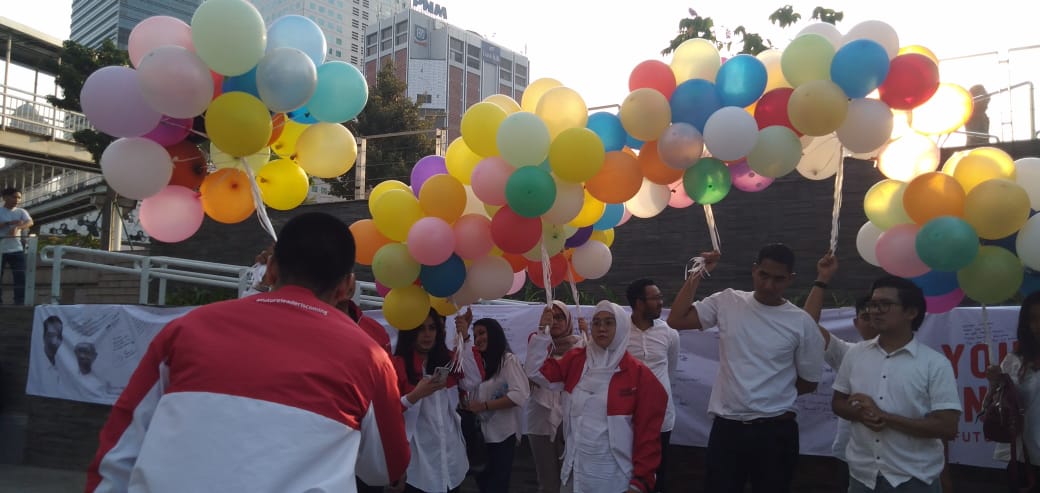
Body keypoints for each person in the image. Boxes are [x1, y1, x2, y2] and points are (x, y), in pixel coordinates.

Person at [86, 212, 409, 492]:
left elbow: (118, 453)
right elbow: (385, 468)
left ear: (270, 269)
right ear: (347, 287)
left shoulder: (187, 329)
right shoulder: (368, 357)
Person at [666, 244, 824, 493]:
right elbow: (676, 320)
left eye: (779, 279)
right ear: (754, 270)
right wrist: (699, 272)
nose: (769, 285)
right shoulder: (728, 301)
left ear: (790, 279)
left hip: (776, 432)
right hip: (728, 429)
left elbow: (809, 382)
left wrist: (771, 395)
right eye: (764, 275)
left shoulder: (801, 322)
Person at [832, 276, 961, 493]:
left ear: (911, 312)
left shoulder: (935, 364)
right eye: (873, 304)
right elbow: (838, 403)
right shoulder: (855, 354)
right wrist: (861, 414)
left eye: (885, 304)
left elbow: (947, 427)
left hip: (914, 479)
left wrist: (886, 417)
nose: (875, 310)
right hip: (862, 476)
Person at [526, 300, 667, 493]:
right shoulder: (576, 360)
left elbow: (648, 438)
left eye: (609, 322)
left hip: (614, 479)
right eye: (597, 322)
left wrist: (640, 483)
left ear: (622, 326)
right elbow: (536, 373)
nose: (602, 328)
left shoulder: (640, 376)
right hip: (574, 475)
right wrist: (543, 331)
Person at [393, 308, 468, 493]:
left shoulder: (448, 359)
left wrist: (465, 338)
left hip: (452, 461)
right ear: (409, 330)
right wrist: (414, 396)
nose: (427, 335)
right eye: (420, 328)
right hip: (418, 467)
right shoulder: (397, 364)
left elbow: (473, 382)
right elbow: (386, 412)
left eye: (432, 328)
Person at [456, 311, 530, 493]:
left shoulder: (507, 361)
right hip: (478, 437)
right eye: (475, 336)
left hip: (502, 437)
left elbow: (519, 395)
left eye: (482, 333)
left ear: (494, 333)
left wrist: (484, 406)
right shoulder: (476, 363)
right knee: (483, 484)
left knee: (496, 487)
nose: (478, 338)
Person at [625, 279, 679, 493]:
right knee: (629, 475)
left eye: (660, 297)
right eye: (655, 298)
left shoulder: (669, 333)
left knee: (658, 476)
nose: (661, 303)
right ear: (639, 303)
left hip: (661, 418)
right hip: (628, 419)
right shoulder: (620, 333)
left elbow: (671, 372)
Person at [526, 300, 586, 493]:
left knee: (571, 479)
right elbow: (532, 372)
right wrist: (542, 331)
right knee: (547, 481)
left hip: (571, 418)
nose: (556, 322)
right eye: (552, 317)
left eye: (560, 317)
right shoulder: (538, 342)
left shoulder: (581, 345)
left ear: (568, 320)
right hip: (541, 421)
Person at [986, 291, 1040, 493]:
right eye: (1033, 319)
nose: (1038, 325)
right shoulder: (1014, 361)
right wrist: (996, 383)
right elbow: (994, 408)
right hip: (1025, 460)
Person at [0, 187, 33, 305]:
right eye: (14, 197)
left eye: (19, 197)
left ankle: (19, 301)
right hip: (1, 250)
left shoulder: (21, 212)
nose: (17, 200)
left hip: (16, 248)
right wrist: (9, 223)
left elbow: (30, 222)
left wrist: (18, 227)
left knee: (20, 276)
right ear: (5, 198)